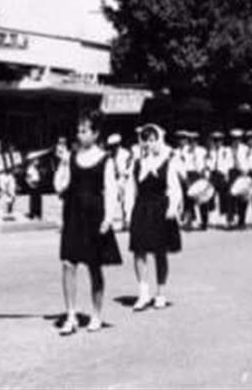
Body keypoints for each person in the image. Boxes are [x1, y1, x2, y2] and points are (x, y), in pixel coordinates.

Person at [53, 110, 122, 335]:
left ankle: (96, 314)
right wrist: (63, 165)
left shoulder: (105, 159)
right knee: (68, 264)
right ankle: (71, 315)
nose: (80, 134)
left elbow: (111, 191)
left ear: (95, 134)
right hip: (73, 214)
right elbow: (59, 187)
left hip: (95, 216)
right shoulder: (71, 158)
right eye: (79, 130)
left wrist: (108, 219)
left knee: (94, 266)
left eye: (85, 131)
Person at [126, 124, 183, 311]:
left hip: (160, 208)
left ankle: (160, 293)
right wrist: (128, 212)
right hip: (142, 208)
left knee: (160, 252)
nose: (149, 144)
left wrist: (172, 208)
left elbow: (175, 188)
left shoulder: (168, 161)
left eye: (152, 139)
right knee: (139, 251)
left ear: (158, 140)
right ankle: (143, 293)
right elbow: (130, 189)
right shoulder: (136, 163)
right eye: (145, 140)